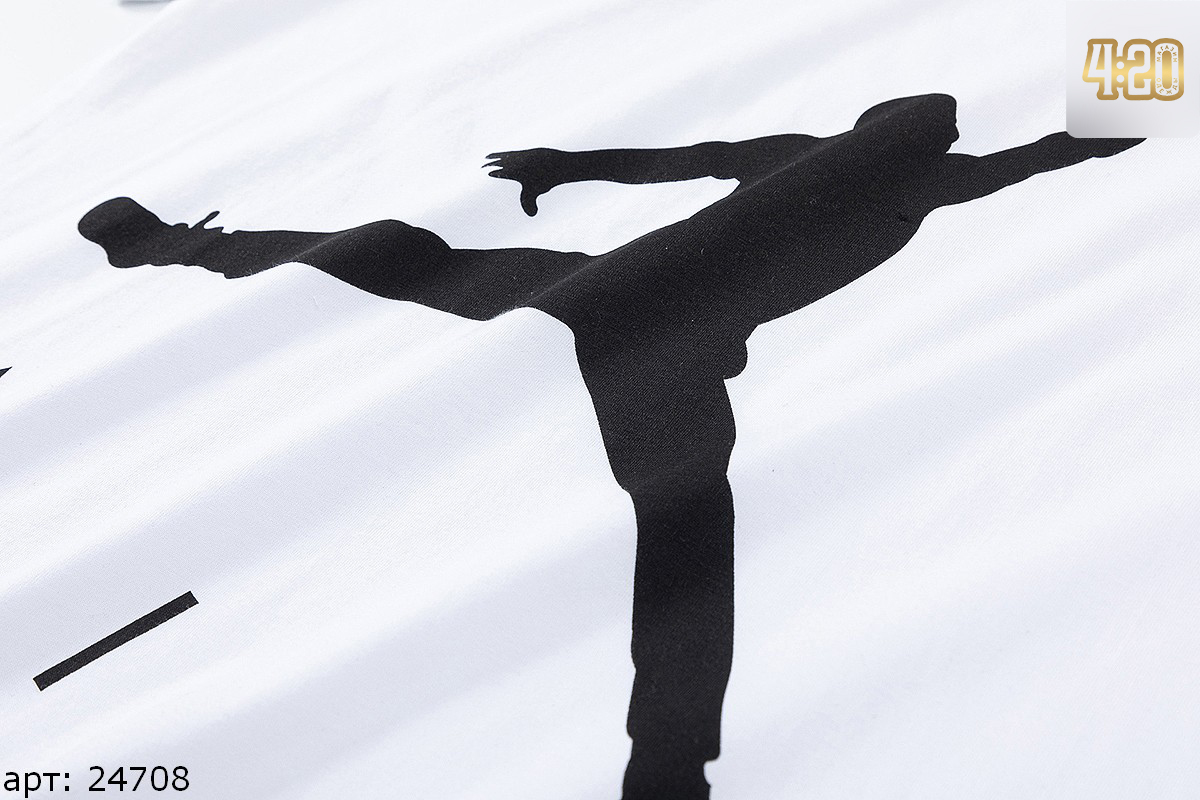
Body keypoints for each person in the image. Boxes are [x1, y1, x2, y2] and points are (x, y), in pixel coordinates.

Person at [77, 93, 1142, 800]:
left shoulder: (900, 173)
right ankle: (175, 248)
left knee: (684, 526)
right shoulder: (880, 169)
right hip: (619, 307)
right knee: (681, 523)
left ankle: (669, 767)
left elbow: (1055, 151)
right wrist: (569, 161)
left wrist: (1147, 75)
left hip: (637, 322)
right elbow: (691, 159)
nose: (921, 132)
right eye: (918, 122)